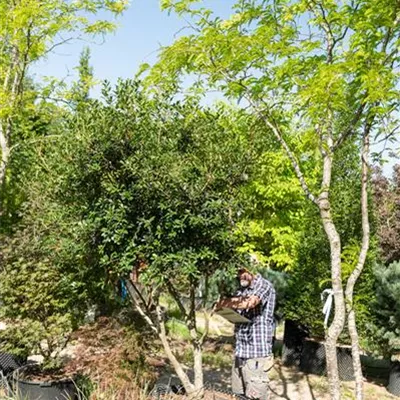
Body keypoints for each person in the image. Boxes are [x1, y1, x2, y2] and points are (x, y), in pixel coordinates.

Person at [216, 267, 276, 400]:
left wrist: (223, 302)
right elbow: (237, 309)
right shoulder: (241, 291)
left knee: (255, 396)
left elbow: (250, 303)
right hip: (241, 351)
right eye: (238, 273)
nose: (240, 276)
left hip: (256, 352)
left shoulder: (264, 285)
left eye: (243, 272)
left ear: (252, 269)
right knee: (238, 394)